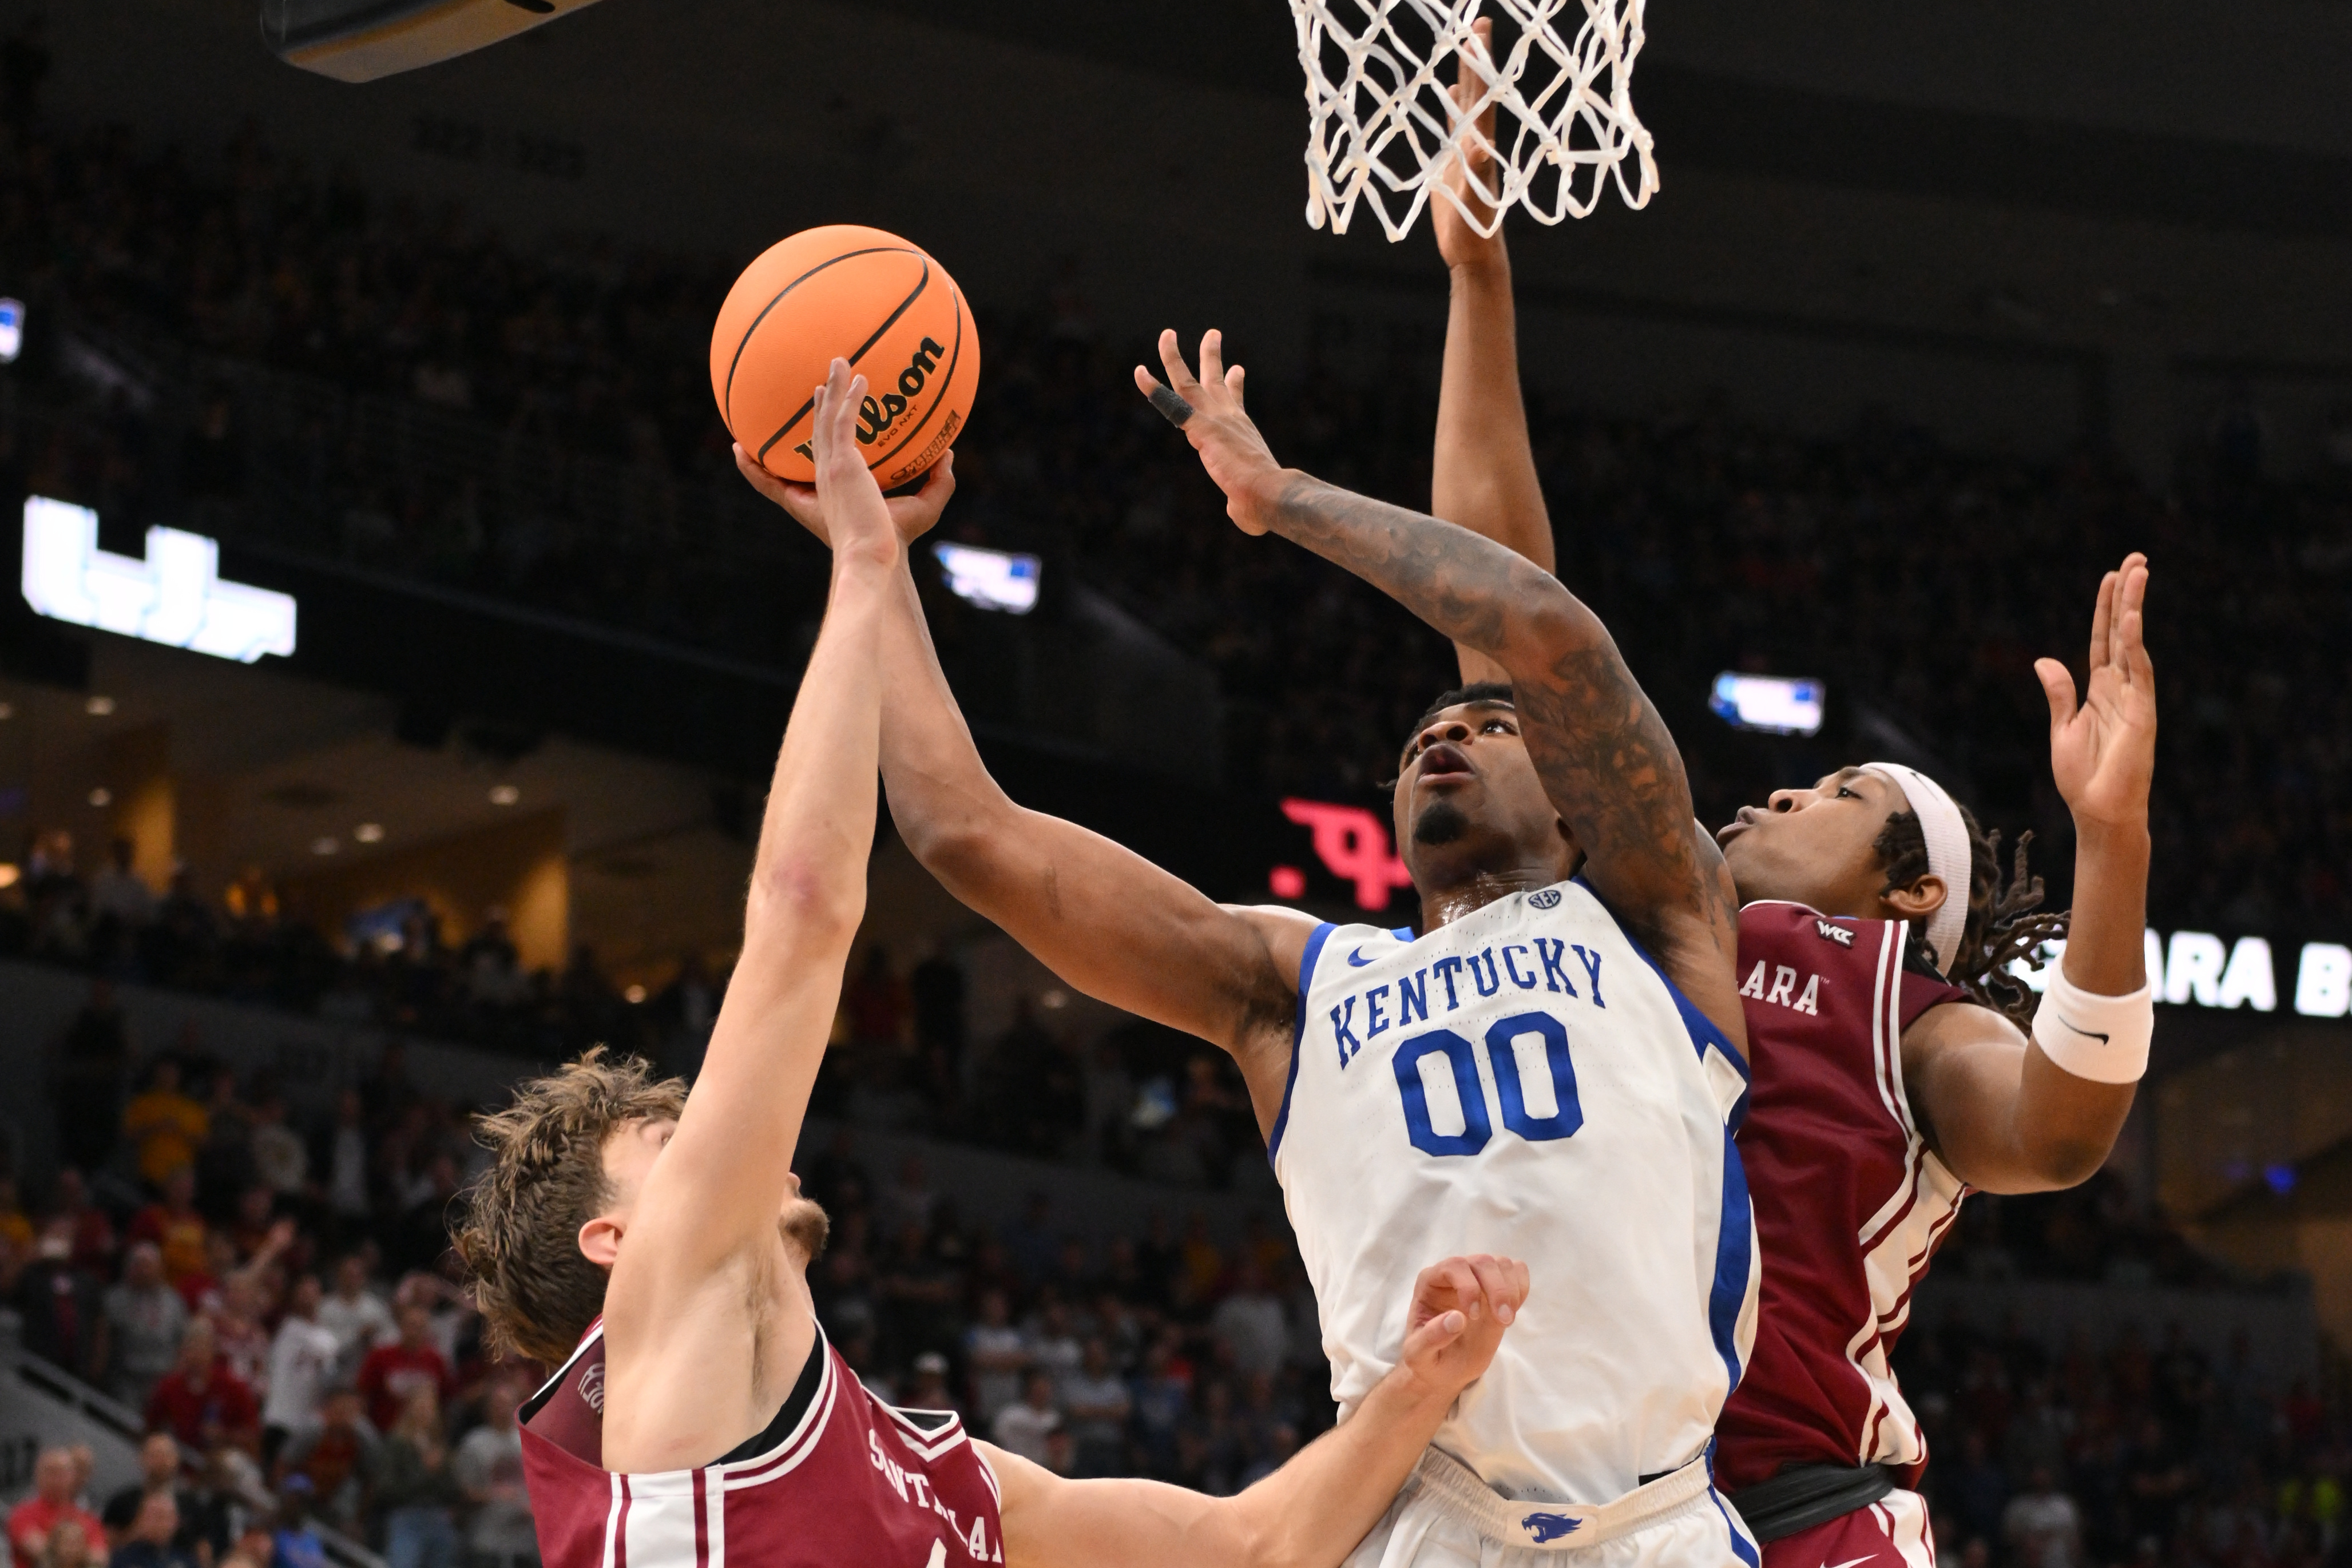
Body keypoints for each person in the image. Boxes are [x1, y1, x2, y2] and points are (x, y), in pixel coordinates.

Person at [453, 361, 1536, 1568]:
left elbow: (1250, 1545)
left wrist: (1425, 1378)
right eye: (670, 1139)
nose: (715, 1125)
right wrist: (862, 566)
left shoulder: (936, 1469)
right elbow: (802, 911)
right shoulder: (670, 1328)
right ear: (619, 1241)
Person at [741, 288, 1760, 1565]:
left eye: (1492, 728)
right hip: (1415, 1515)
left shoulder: (1657, 913)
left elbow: (1545, 631)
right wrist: (872, 565)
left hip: (1656, 1523)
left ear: (1576, 791)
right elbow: (967, 833)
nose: (1444, 731)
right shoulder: (1296, 978)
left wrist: (1283, 498)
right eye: (1422, 737)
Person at [1411, 54, 2156, 1568]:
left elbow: (2059, 1133)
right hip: (1560, 1508)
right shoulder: (1639, 883)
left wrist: (2112, 842)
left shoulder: (1901, 1005)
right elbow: (1500, 617)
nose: (1780, 791)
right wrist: (1478, 281)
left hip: (1793, 1514)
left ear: (1901, 897)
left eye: (1839, 793)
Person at [453, 1372, 537, 1568]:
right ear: (488, 1408)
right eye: (498, 1403)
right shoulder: (474, 1444)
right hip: (487, 1540)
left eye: (508, 1403)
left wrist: (534, 1508)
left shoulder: (529, 1443)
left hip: (524, 1543)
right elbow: (462, 1493)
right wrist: (493, 1495)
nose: (503, 1409)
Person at [101, 1243, 191, 1407]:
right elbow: (103, 1339)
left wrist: (177, 1377)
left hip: (163, 1378)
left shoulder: (174, 1302)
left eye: (148, 1266)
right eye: (139, 1265)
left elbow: (183, 1342)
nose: (144, 1271)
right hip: (127, 1378)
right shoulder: (116, 1299)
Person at [8, 1448, 105, 1568]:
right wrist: (80, 1553)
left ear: (73, 1476)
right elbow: (44, 1554)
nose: (56, 1479)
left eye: (62, 1473)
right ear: (38, 1475)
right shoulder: (22, 1514)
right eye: (50, 1472)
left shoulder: (89, 1519)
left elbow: (98, 1561)